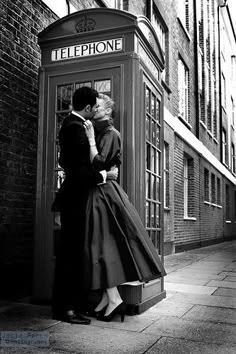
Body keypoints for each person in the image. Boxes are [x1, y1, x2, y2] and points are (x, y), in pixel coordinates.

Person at [83, 93, 166, 322]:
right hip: (99, 192)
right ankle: (108, 299)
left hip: (103, 195)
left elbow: (98, 163)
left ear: (108, 111)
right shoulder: (103, 132)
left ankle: (114, 299)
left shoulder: (111, 134)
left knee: (101, 246)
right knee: (99, 246)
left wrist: (90, 140)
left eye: (98, 107)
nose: (93, 109)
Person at [51, 87, 118, 325]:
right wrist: (105, 176)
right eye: (95, 106)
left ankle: (71, 305)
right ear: (88, 108)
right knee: (70, 255)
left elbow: (63, 161)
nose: (96, 110)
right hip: (75, 198)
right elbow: (79, 171)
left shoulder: (72, 124)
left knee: (72, 254)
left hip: (74, 197)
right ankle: (65, 309)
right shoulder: (76, 128)